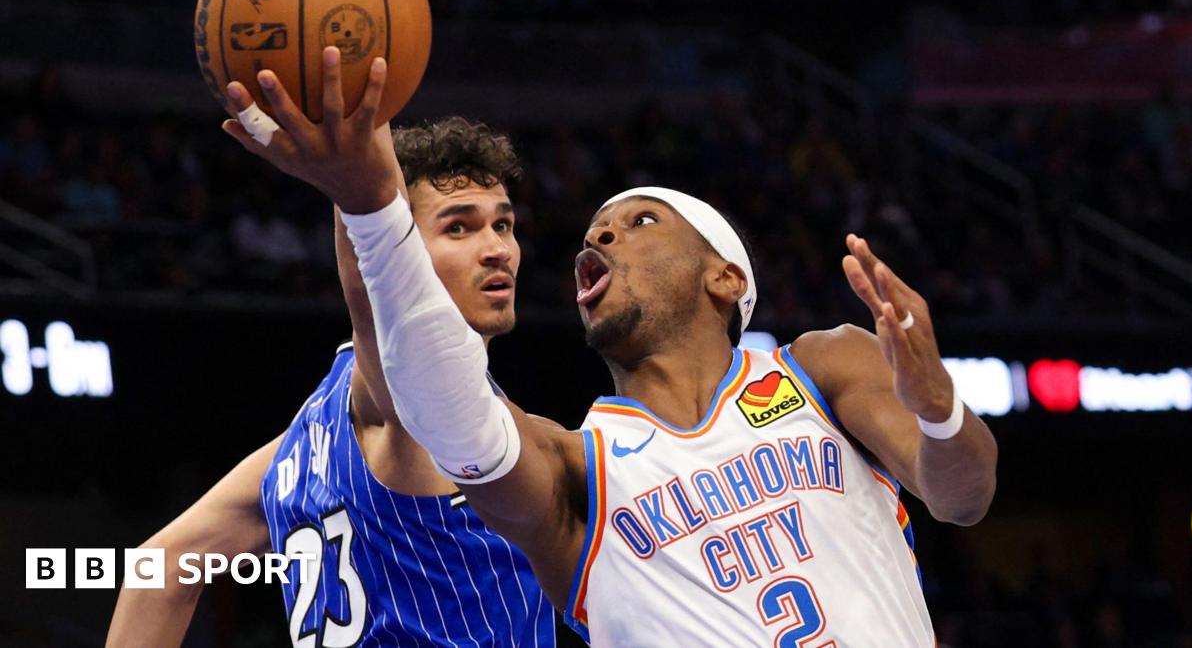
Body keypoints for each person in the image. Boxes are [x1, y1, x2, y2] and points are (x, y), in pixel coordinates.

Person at [224, 49, 997, 646]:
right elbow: (440, 398)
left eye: (639, 223)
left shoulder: (823, 366)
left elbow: (963, 495)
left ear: (724, 277)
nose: (599, 234)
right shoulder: (574, 469)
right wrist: (369, 206)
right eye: (596, 230)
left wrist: (938, 410)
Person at [106, 112, 556, 646]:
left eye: (502, 224)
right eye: (457, 226)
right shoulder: (413, 406)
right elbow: (376, 287)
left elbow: (162, 566)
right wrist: (360, 143)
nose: (497, 248)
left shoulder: (303, 442)